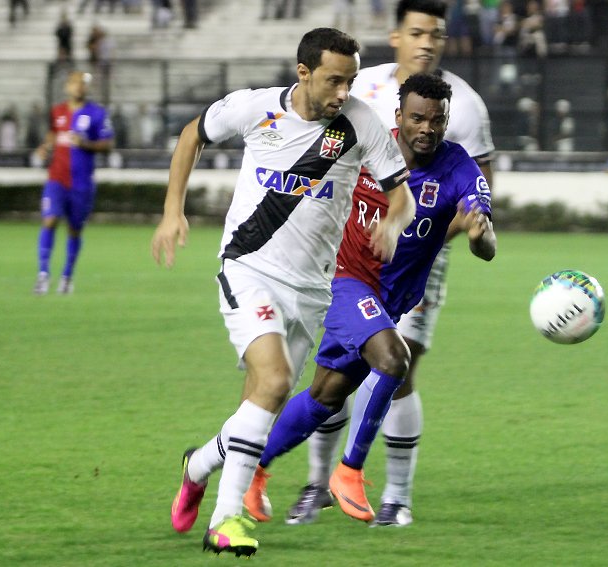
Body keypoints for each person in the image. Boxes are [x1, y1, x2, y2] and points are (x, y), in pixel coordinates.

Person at [156, 27, 415, 557]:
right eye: (333, 81)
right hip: (249, 268)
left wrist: (393, 220)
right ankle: (226, 522)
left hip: (312, 291)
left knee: (261, 403)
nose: (344, 92)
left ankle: (199, 465)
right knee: (274, 382)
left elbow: (401, 194)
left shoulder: (359, 123)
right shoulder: (254, 109)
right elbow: (192, 135)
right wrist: (171, 211)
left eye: (351, 80)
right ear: (304, 73)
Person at [243, 72, 496, 527]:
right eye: (417, 118)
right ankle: (349, 471)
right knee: (394, 360)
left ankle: (251, 467)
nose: (427, 128)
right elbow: (301, 180)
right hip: (344, 281)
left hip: (391, 300)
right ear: (398, 117)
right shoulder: (362, 143)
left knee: (325, 395)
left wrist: (479, 234)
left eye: (436, 121)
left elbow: (487, 246)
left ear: (445, 121)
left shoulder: (459, 168)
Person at [33, 71, 113, 295]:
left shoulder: (96, 113)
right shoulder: (57, 111)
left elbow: (107, 144)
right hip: (56, 178)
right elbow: (52, 134)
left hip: (81, 183)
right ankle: (43, 275)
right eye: (75, 83)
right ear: (67, 86)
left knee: (74, 230)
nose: (79, 87)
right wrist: (45, 147)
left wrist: (85, 143)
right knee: (49, 220)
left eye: (83, 84)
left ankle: (67, 276)